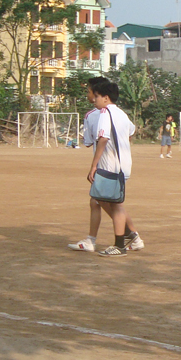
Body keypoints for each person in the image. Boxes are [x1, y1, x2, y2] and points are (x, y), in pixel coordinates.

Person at [69, 77, 144, 254]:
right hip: (122, 165)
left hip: (109, 165)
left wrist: (94, 165)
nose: (93, 99)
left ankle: (124, 242)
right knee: (99, 200)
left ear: (104, 97)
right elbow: (130, 132)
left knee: (113, 203)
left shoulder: (103, 113)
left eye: (94, 95)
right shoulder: (121, 114)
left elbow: (102, 138)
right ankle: (123, 238)